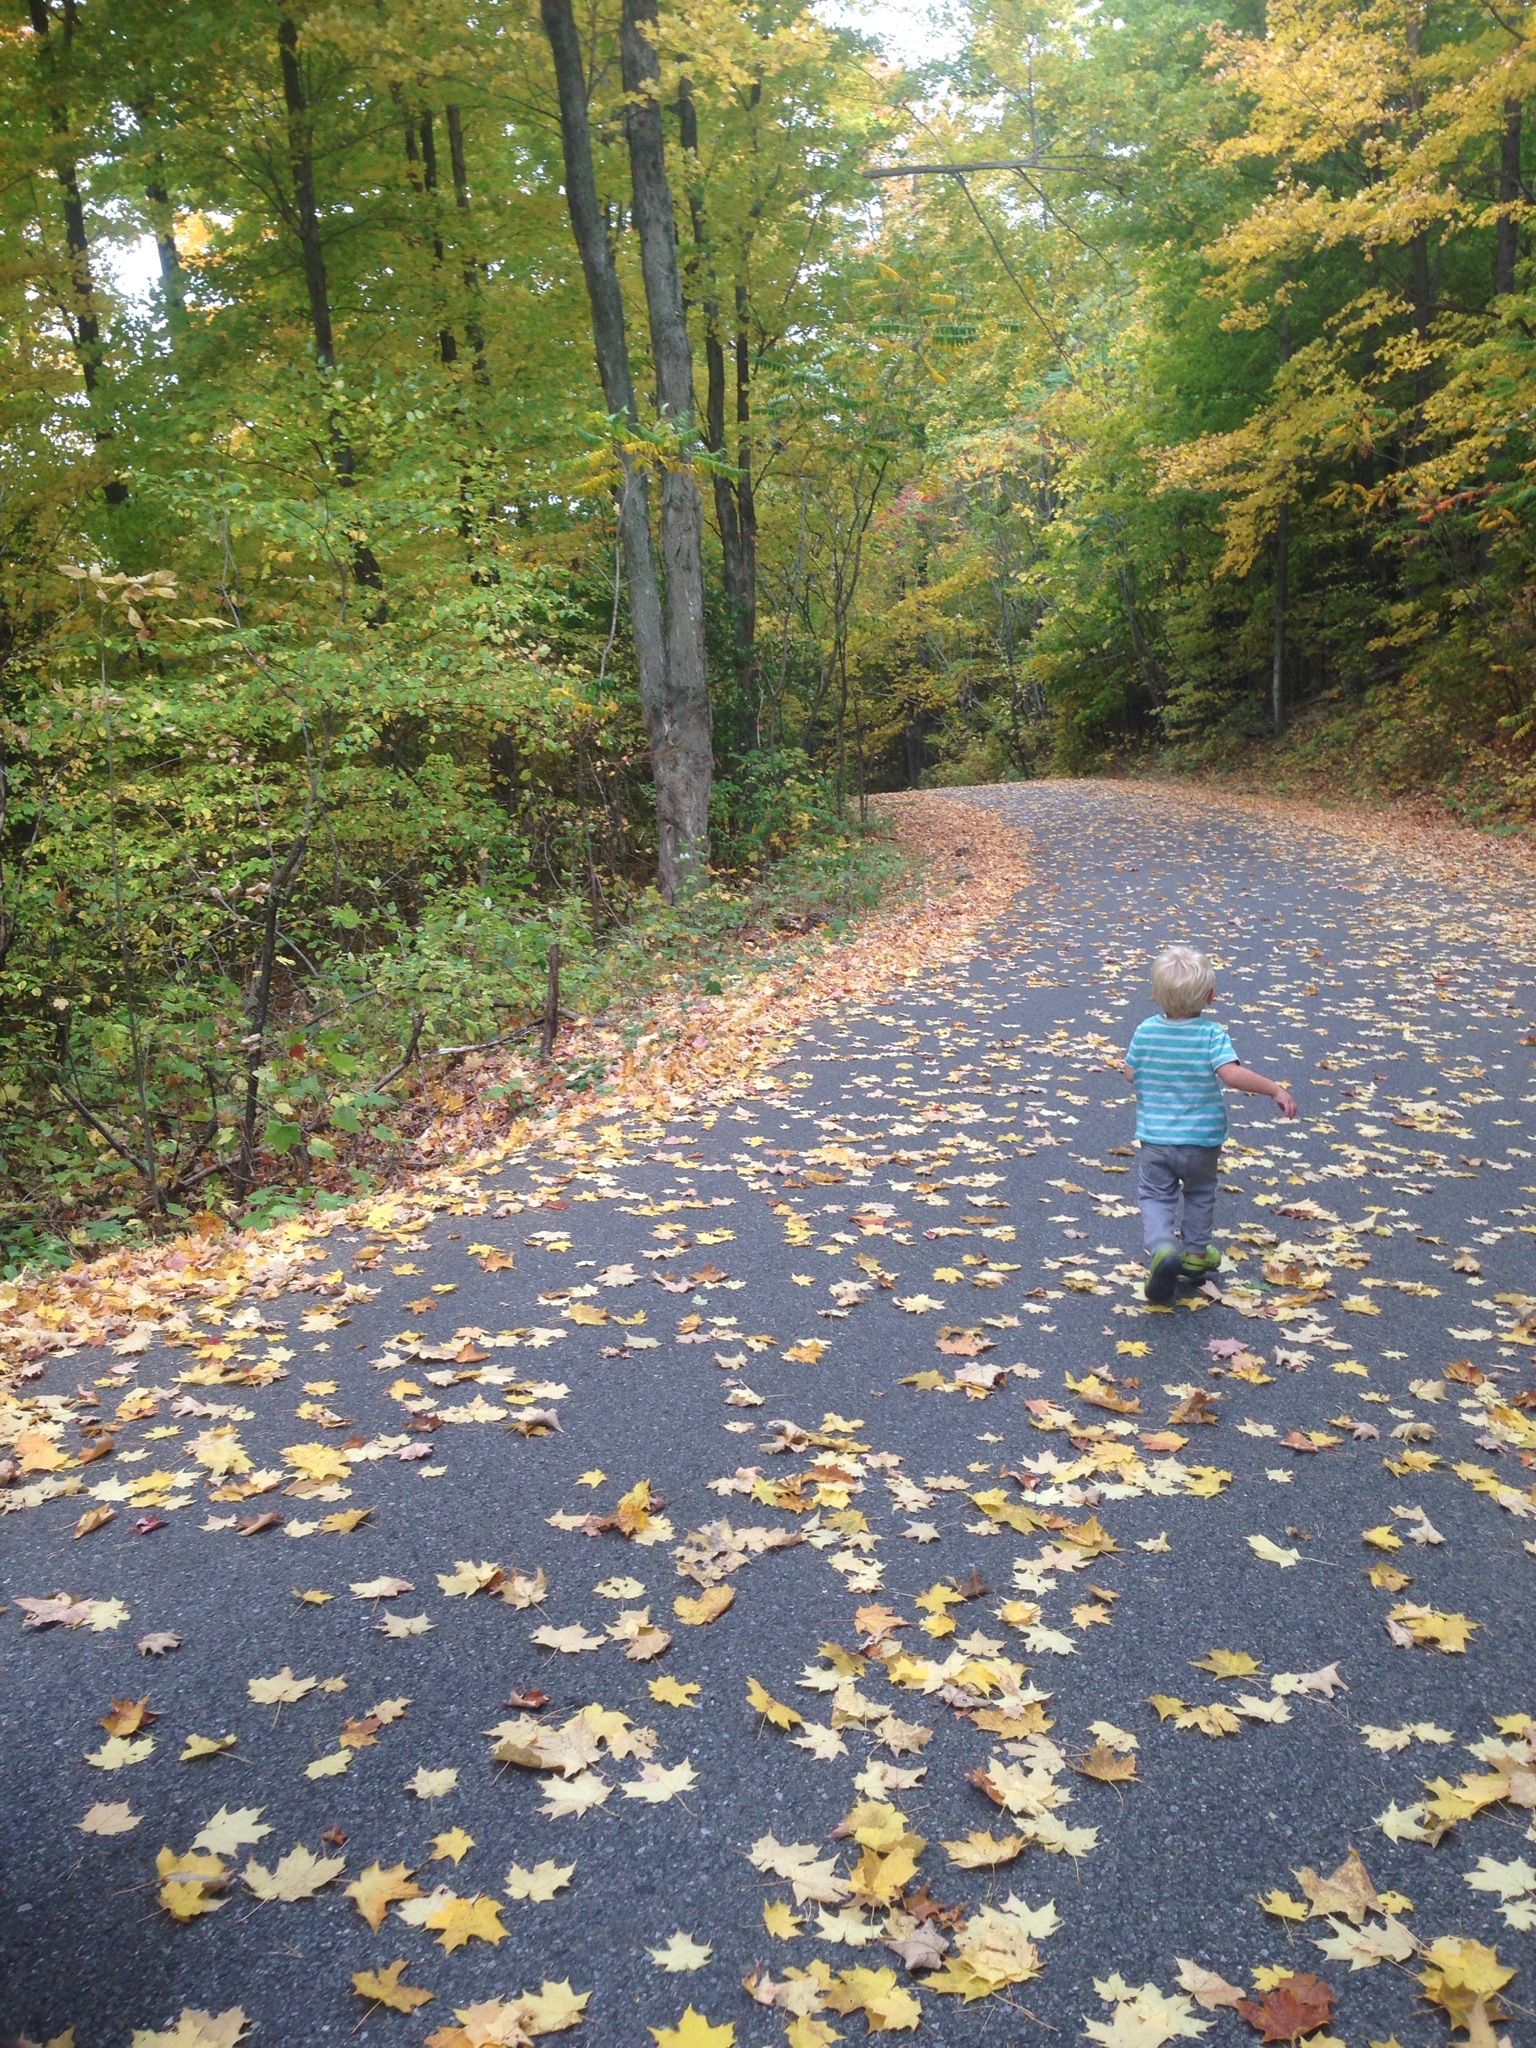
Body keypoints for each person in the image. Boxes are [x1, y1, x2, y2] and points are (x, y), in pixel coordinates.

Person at [1120, 944, 1297, 1306]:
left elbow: (1130, 1074)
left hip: (1156, 1140)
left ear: (1154, 995)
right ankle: (1196, 1257)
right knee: (1199, 1194)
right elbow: (1231, 1074)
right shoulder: (1211, 1034)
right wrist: (1274, 1088)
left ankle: (1163, 1248)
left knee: (1155, 1195)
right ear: (1211, 997)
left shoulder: (1145, 1031)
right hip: (1202, 1142)